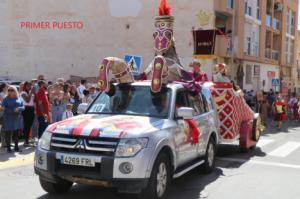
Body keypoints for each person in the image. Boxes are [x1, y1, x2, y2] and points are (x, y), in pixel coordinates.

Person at [1, 86, 24, 152]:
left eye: (12, 90)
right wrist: (12, 110)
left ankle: (16, 147)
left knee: (16, 133)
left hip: (16, 118)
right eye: (9, 90)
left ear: (15, 91)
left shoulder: (19, 98)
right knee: (8, 133)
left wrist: (18, 109)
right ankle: (8, 148)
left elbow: (23, 107)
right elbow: (2, 108)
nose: (10, 91)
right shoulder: (6, 99)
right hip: (8, 117)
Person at [20, 81, 35, 146]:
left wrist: (33, 93)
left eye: (30, 86)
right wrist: (31, 92)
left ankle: (27, 140)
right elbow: (27, 100)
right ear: (25, 86)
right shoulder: (23, 93)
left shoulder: (30, 93)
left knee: (29, 125)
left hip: (31, 109)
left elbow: (34, 101)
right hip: (26, 109)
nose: (29, 87)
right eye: (28, 86)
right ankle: (26, 141)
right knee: (26, 125)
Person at [0, 83, 8, 148]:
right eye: (6, 87)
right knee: (3, 128)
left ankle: (4, 142)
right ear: (3, 88)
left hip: (5, 113)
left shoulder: (5, 94)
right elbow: (3, 104)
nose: (7, 88)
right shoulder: (1, 94)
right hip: (2, 113)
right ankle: (3, 142)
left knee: (5, 128)